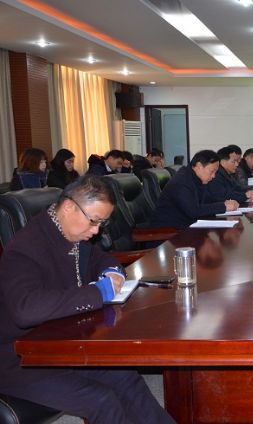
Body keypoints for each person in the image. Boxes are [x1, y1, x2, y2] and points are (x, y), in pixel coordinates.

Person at [0, 175, 175, 424]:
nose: (95, 231)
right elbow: (25, 309)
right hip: (19, 359)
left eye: (101, 224)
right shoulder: (25, 247)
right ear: (69, 207)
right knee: (101, 400)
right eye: (94, 221)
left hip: (62, 346)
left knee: (126, 378)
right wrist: (98, 293)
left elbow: (99, 258)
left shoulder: (68, 232)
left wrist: (112, 271)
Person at [149, 150, 239, 229]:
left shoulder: (196, 178)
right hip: (168, 232)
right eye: (212, 171)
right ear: (199, 166)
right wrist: (223, 206)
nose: (213, 176)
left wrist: (225, 202)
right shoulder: (182, 181)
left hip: (185, 226)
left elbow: (208, 199)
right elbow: (193, 211)